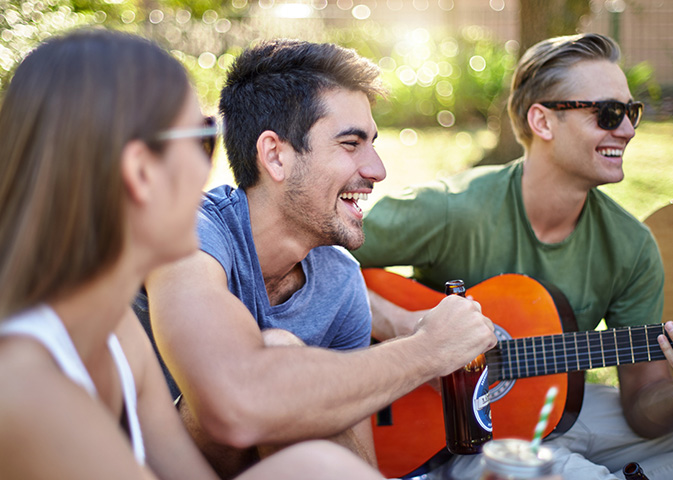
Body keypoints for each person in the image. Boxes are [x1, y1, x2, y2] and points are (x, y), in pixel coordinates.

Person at [0, 29, 389, 480]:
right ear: (140, 171)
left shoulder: (112, 332)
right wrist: (424, 349)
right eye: (203, 140)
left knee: (312, 465)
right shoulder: (24, 384)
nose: (215, 175)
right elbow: (238, 402)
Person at [352, 33, 673, 479]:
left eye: (631, 112)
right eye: (608, 113)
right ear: (542, 122)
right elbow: (307, 250)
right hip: (458, 436)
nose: (627, 130)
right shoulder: (451, 210)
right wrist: (408, 329)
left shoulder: (631, 246)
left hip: (559, 408)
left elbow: (643, 408)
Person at [134, 38, 497, 478]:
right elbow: (234, 403)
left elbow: (356, 463)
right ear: (275, 156)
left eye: (373, 144)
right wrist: (427, 350)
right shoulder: (191, 235)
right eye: (350, 143)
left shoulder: (340, 281)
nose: (377, 169)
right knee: (281, 354)